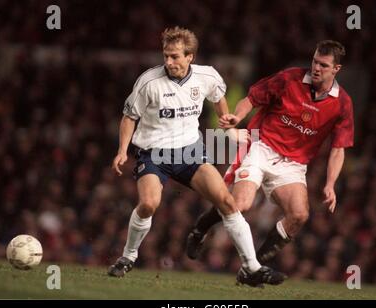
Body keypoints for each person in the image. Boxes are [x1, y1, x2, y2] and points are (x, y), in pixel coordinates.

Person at [107, 26, 286, 287]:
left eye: (175, 56)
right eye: (166, 56)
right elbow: (129, 116)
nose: (169, 62)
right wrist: (123, 150)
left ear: (190, 56)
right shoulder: (149, 82)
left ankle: (252, 267)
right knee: (148, 204)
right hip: (153, 153)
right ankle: (128, 257)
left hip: (190, 152)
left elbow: (218, 97)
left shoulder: (207, 76)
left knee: (227, 200)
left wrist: (229, 128)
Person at [186, 40, 354, 268]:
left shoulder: (342, 103)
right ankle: (200, 228)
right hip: (260, 147)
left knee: (299, 215)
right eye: (315, 61)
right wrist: (237, 118)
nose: (316, 68)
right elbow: (251, 99)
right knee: (240, 204)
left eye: (323, 65)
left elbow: (338, 148)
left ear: (336, 69)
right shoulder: (289, 79)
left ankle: (254, 267)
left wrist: (330, 184)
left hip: (292, 164)